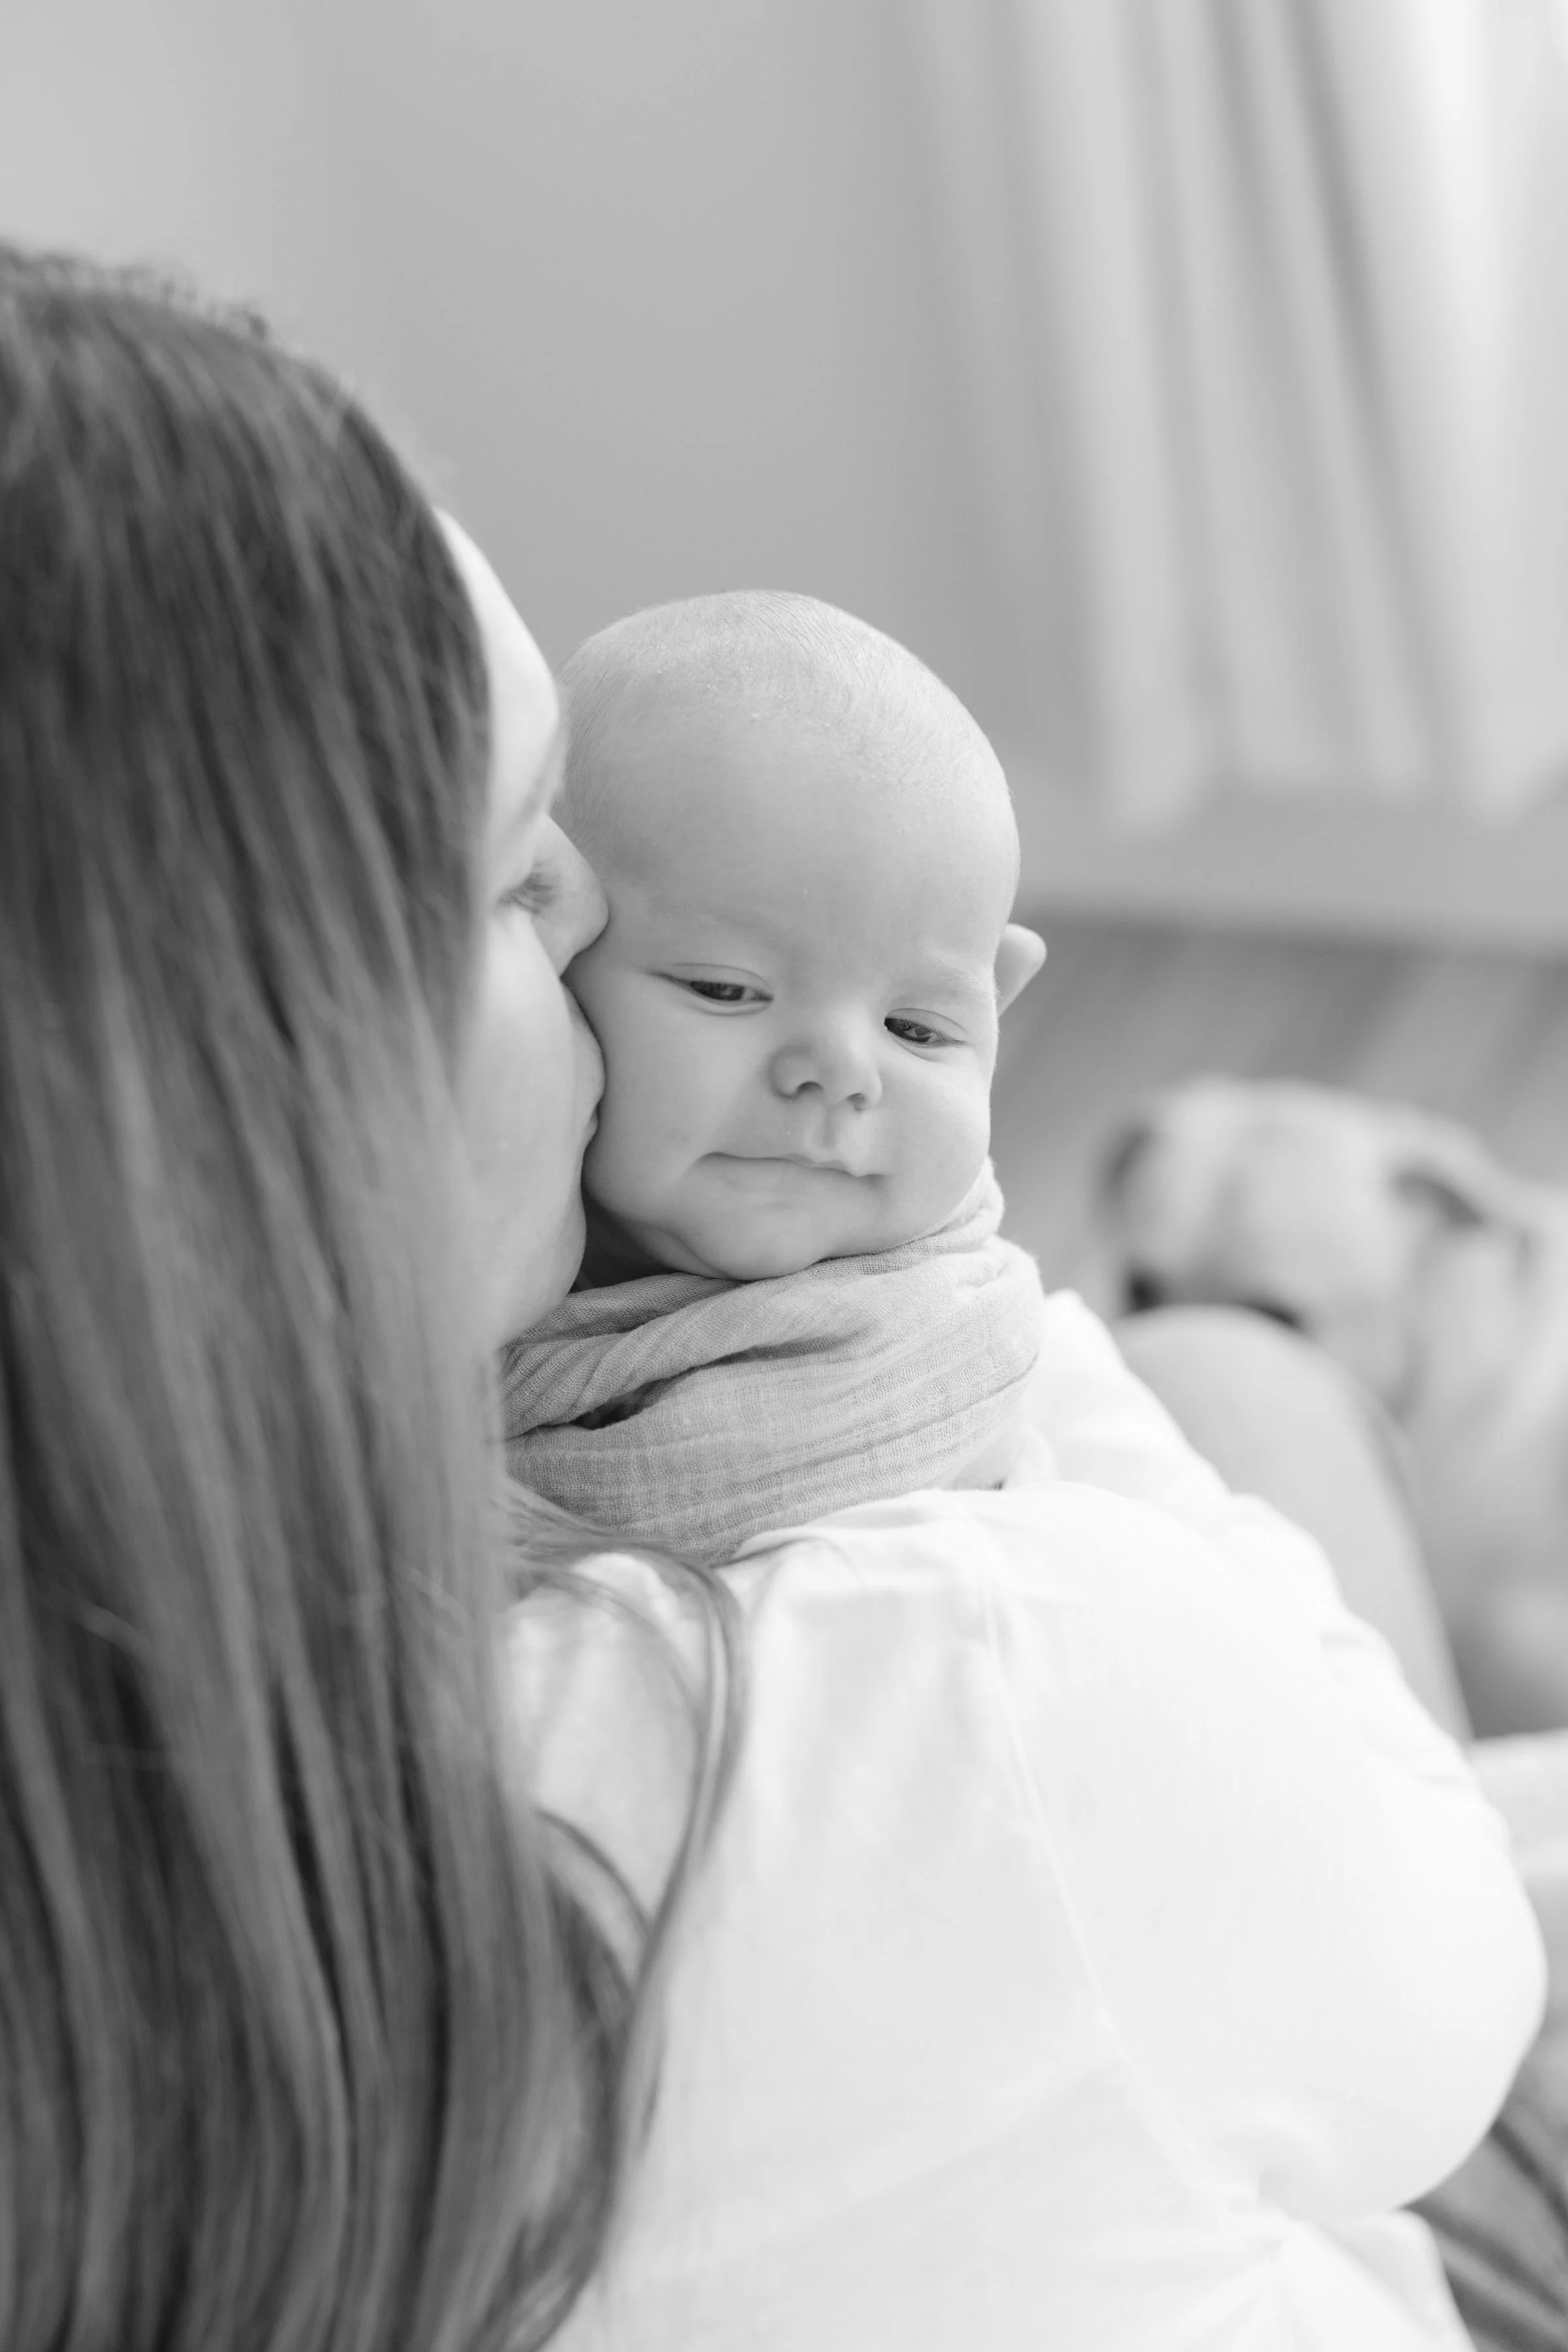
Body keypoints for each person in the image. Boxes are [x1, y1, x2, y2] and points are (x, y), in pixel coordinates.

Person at [0, 239, 1548, 2352]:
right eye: (523, 870)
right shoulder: (959, 1694)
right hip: (1373, 2118)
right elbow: (1448, 2003)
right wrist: (978, 1289)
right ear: (266, 1099)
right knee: (1253, 1419)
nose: (576, 932)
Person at [503, 591, 1050, 1560]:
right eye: (727, 990)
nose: (841, 1074)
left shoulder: (941, 1345)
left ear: (998, 1003)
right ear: (549, 939)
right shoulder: (463, 1248)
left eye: (919, 1030)